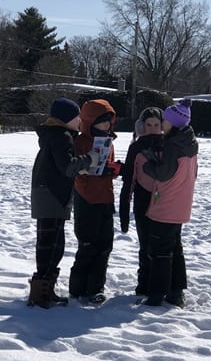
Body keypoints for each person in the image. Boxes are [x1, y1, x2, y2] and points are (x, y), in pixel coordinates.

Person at [29, 97, 97, 308]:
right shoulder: (62, 137)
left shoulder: (52, 135)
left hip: (45, 194)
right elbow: (67, 166)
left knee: (48, 243)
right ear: (67, 118)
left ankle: (43, 289)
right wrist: (89, 159)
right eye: (77, 117)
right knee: (52, 245)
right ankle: (41, 294)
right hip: (53, 195)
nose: (80, 122)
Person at [135, 98, 198, 307]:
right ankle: (176, 291)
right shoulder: (189, 143)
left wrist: (149, 165)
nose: (162, 124)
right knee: (175, 248)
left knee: (160, 250)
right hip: (181, 204)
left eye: (165, 121)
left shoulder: (173, 146)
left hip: (166, 205)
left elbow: (163, 174)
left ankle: (156, 294)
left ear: (173, 123)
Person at [70, 99, 120, 304]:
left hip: (106, 198)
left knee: (104, 246)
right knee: (87, 245)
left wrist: (114, 169)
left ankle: (96, 287)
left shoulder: (109, 143)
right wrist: (93, 171)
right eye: (102, 123)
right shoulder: (80, 142)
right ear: (89, 122)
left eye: (109, 123)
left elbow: (107, 167)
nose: (106, 126)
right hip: (86, 199)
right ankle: (77, 287)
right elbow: (76, 171)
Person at [118, 107, 164, 295]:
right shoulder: (136, 147)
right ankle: (144, 284)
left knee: (162, 245)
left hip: (163, 200)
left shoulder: (168, 145)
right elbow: (129, 179)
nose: (152, 128)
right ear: (141, 126)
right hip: (142, 200)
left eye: (156, 124)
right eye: (148, 125)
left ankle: (160, 284)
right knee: (145, 245)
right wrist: (123, 211)